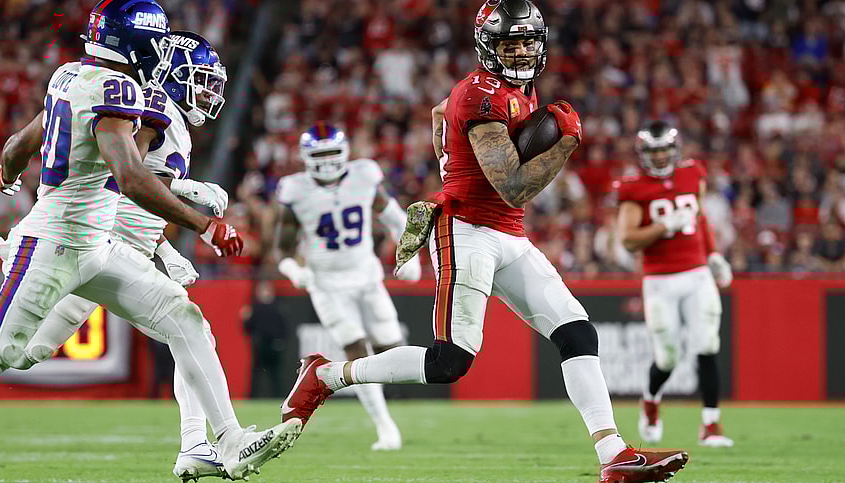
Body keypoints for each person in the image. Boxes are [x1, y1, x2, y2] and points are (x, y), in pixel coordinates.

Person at [280, 2, 690, 482]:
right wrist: (565, 143)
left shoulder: (510, 88)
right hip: (467, 229)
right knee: (449, 361)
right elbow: (513, 185)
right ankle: (326, 376)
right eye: (508, 43)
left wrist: (442, 138)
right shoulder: (480, 96)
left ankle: (613, 455)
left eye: (527, 41)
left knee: (578, 331)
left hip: (508, 233)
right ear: (487, 46)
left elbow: (441, 110)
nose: (520, 52)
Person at [0, 2, 300, 480]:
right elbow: (132, 179)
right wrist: (204, 224)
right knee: (3, 356)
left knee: (184, 318)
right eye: (156, 41)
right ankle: (14, 252)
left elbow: (16, 147)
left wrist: (9, 169)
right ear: (134, 42)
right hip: (56, 241)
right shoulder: (121, 88)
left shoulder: (67, 75)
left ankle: (228, 441)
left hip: (94, 246)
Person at [273, 122, 421, 451]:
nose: (326, 161)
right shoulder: (295, 190)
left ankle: (387, 417)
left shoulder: (364, 175)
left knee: (392, 348)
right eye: (319, 154)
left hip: (366, 275)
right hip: (326, 284)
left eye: (330, 153)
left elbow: (396, 218)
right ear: (305, 158)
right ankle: (385, 427)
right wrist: (292, 270)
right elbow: (282, 247)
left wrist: (410, 254)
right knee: (355, 349)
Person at [615, 120, 734, 448]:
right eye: (653, 152)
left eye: (664, 150)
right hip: (660, 279)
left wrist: (712, 255)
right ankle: (651, 401)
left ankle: (711, 424)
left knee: (708, 344)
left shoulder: (692, 173)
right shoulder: (632, 188)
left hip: (697, 274)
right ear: (643, 154)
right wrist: (662, 226)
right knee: (667, 357)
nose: (660, 157)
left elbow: (700, 219)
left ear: (675, 150)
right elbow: (628, 240)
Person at [243, 280, 289, 399]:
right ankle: (253, 397)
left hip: (273, 343)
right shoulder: (255, 307)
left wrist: (280, 341)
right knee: (257, 373)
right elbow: (248, 328)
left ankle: (278, 396)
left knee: (275, 373)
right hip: (261, 344)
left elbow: (283, 327)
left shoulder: (277, 306)